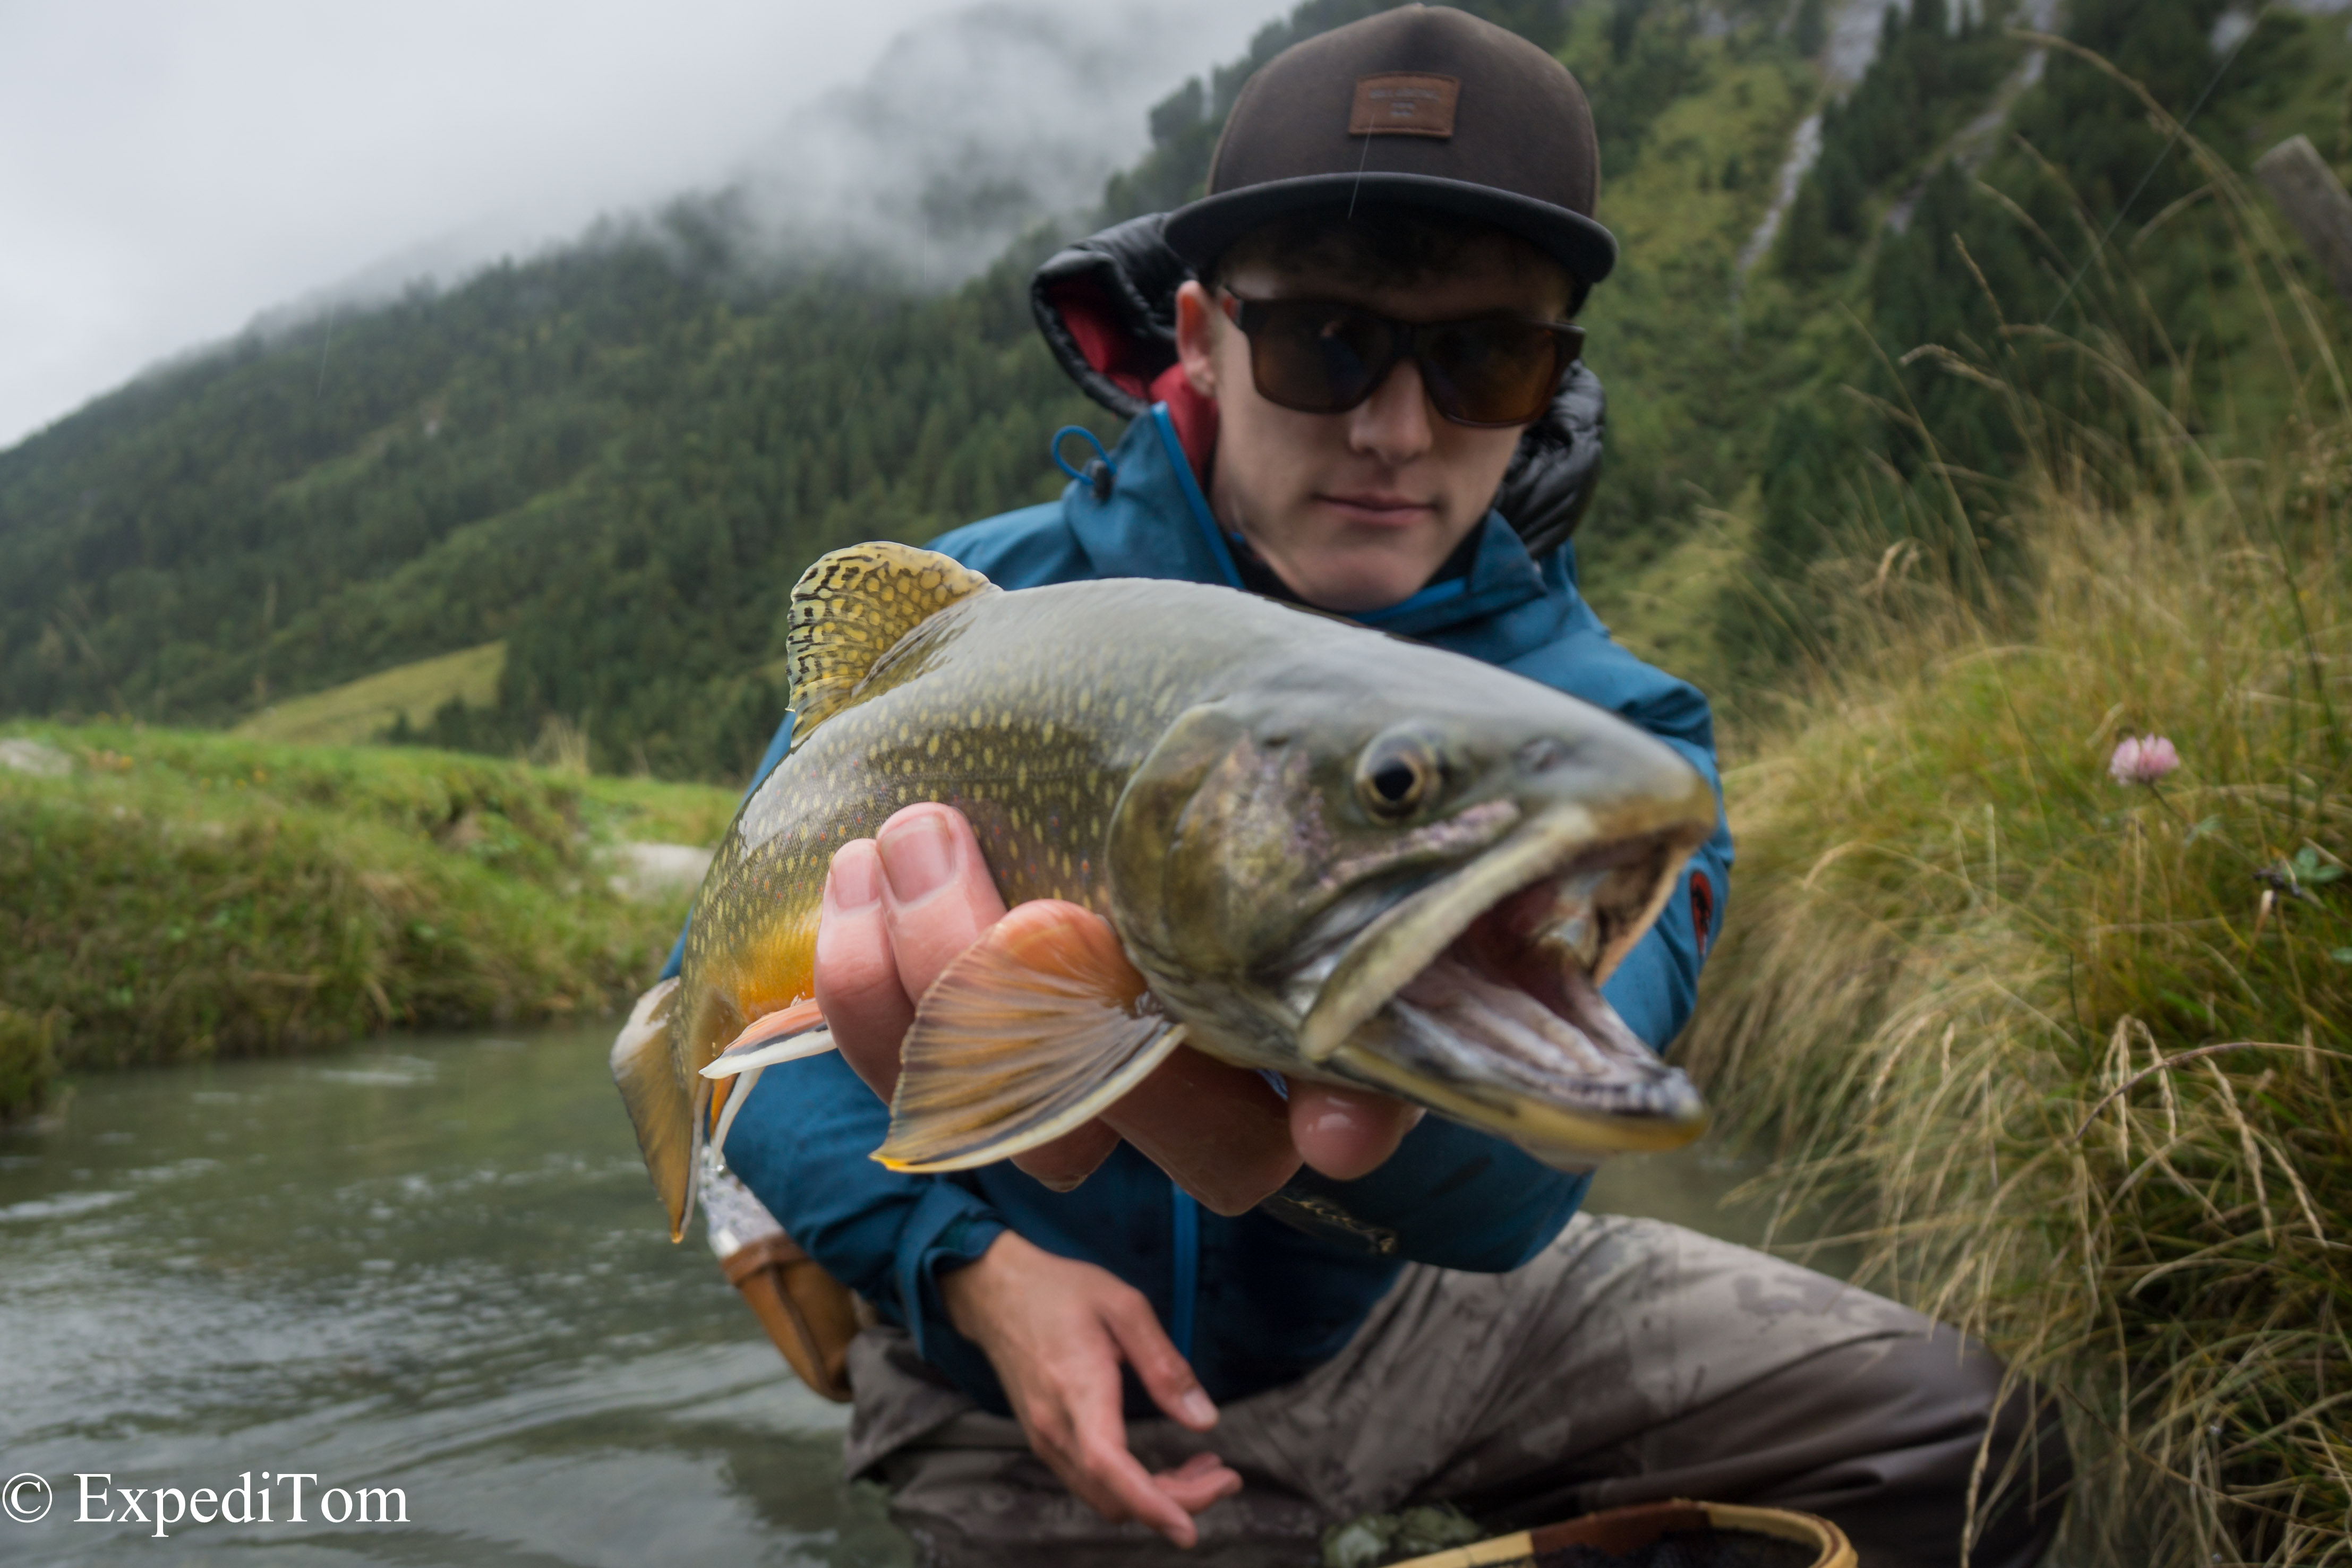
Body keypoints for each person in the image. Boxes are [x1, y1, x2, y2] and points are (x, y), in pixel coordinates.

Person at [681, 8, 2069, 1564]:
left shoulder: (1618, 742)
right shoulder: (970, 626)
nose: (1394, 429)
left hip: (1422, 1312)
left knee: (1970, 1436)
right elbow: (722, 1034)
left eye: (1485, 356)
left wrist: (1378, 1113)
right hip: (1018, 1354)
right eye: (1325, 341)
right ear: (1200, 333)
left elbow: (1530, 1187)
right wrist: (961, 1265)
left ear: (1552, 381)